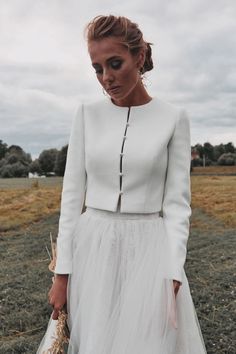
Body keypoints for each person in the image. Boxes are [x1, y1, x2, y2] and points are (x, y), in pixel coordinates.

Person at [37, 14, 207, 354]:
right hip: (93, 248)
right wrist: (62, 275)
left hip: (150, 250)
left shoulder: (174, 118)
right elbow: (71, 200)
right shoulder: (86, 114)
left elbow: (177, 204)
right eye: (98, 68)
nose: (106, 78)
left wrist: (174, 271)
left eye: (115, 63)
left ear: (139, 58)